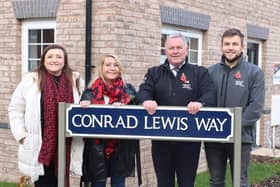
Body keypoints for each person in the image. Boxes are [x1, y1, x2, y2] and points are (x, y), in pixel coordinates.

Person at [136, 33, 217, 187]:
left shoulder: (200, 73)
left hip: (189, 142)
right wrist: (146, 100)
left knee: (186, 183)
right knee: (164, 183)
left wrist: (201, 103)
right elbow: (143, 91)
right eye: (171, 48)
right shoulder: (154, 72)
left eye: (179, 47)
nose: (175, 51)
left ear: (186, 50)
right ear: (165, 51)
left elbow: (210, 94)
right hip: (161, 141)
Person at [8, 44, 84, 187]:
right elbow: (15, 109)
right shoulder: (30, 81)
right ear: (43, 60)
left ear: (64, 60)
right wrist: (22, 136)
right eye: (50, 56)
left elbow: (84, 107)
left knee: (61, 182)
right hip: (40, 146)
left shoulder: (76, 82)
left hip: (66, 145)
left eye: (59, 57)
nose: (54, 60)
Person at [204, 28, 265, 187]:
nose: (230, 47)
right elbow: (204, 100)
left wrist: (232, 127)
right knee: (216, 181)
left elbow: (256, 107)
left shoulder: (254, 72)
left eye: (234, 44)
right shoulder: (210, 72)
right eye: (227, 44)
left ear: (242, 47)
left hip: (241, 138)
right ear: (221, 46)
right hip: (214, 137)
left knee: (240, 182)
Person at [79, 54, 141, 187]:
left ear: (120, 69)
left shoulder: (128, 91)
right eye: (108, 65)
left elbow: (138, 117)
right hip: (97, 150)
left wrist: (125, 109)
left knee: (118, 184)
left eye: (115, 65)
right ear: (101, 68)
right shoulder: (89, 92)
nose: (112, 68)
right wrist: (83, 109)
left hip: (120, 149)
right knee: (97, 184)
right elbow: (81, 124)